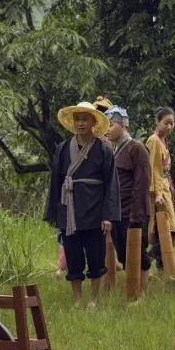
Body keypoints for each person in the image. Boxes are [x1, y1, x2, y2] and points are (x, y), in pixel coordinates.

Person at [45, 101, 120, 307]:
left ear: (93, 122)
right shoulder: (62, 149)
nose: (80, 123)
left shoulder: (104, 150)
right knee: (73, 255)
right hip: (69, 210)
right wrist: (53, 212)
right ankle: (78, 298)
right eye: (77, 119)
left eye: (84, 119)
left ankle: (94, 299)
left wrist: (108, 215)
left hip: (95, 211)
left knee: (97, 257)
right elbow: (55, 182)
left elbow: (111, 184)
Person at [104, 104, 152, 294]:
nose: (107, 130)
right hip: (117, 211)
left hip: (134, 212)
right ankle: (133, 289)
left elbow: (142, 183)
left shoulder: (137, 148)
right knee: (123, 255)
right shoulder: (114, 151)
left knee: (138, 254)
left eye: (110, 125)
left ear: (122, 125)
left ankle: (141, 293)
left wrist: (136, 215)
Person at [145, 107, 175, 276]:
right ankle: (147, 259)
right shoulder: (154, 140)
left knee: (165, 229)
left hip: (167, 187)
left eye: (172, 124)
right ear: (157, 122)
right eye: (166, 123)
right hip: (158, 191)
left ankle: (162, 269)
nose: (169, 127)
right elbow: (154, 169)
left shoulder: (163, 141)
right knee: (168, 230)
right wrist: (158, 194)